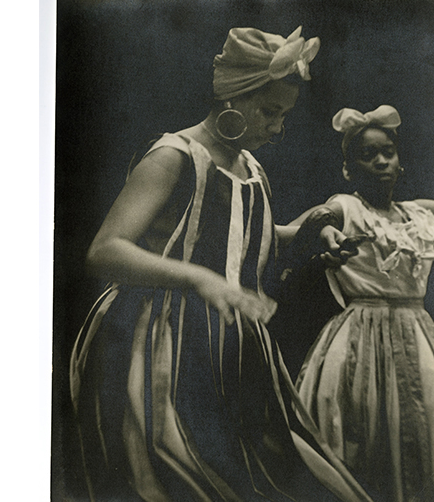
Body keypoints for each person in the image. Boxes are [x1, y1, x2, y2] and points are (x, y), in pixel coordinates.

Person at [68, 27, 371, 501]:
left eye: (284, 116)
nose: (278, 128)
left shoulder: (250, 167)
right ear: (233, 96)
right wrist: (198, 279)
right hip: (160, 351)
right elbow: (106, 251)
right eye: (270, 112)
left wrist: (310, 231)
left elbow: (250, 244)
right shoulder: (174, 157)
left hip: (232, 353)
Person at [293, 105, 434, 502]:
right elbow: (312, 221)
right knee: (361, 430)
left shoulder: (418, 213)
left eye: (387, 152)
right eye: (367, 155)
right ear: (348, 169)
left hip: (416, 331)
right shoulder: (346, 206)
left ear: (399, 161)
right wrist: (324, 229)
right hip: (360, 333)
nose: (380, 161)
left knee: (425, 434)